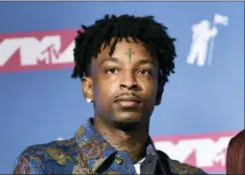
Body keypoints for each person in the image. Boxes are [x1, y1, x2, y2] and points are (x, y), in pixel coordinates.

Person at [13, 14, 207, 174]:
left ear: (160, 90)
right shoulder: (44, 165)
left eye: (143, 71)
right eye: (113, 70)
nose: (129, 82)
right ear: (88, 87)